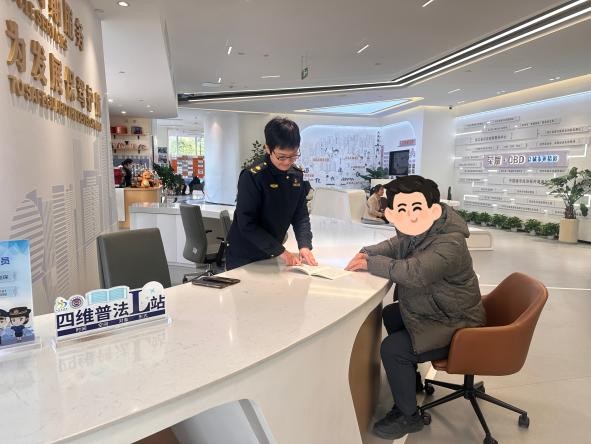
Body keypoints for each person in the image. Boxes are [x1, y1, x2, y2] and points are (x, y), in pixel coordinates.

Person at [345, 175, 486, 440]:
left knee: (393, 349)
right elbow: (396, 245)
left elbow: (416, 273)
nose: (408, 216)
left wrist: (371, 264)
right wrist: (368, 252)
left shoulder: (450, 242)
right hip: (441, 310)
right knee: (391, 313)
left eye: (414, 208)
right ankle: (410, 381)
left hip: (458, 321)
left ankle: (408, 416)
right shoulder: (424, 227)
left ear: (432, 208)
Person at [226, 117, 317, 270]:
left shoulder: (296, 175)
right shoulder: (253, 176)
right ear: (268, 148)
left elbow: (300, 215)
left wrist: (304, 245)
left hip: (271, 254)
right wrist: (280, 251)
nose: (287, 162)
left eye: (293, 155)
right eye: (282, 156)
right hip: (244, 256)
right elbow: (247, 223)